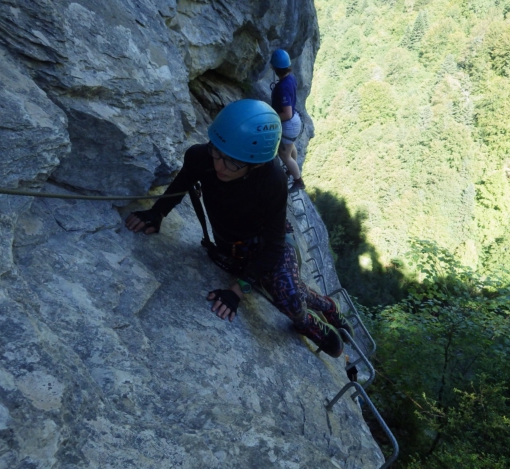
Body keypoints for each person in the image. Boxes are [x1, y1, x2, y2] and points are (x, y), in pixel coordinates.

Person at [125, 99, 352, 357]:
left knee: (287, 295)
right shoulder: (202, 157)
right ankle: (326, 305)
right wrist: (157, 214)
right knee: (281, 285)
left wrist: (237, 290)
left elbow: (275, 245)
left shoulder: (272, 180)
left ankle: (307, 322)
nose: (220, 166)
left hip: (269, 242)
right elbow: (182, 183)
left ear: (255, 163)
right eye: (218, 153)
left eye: (232, 162)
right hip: (231, 246)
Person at [270, 49, 305, 193]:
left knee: (284, 155)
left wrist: (272, 118)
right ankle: (292, 171)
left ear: (274, 67)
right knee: (291, 148)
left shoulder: (282, 87)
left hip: (289, 123)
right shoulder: (291, 78)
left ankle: (298, 181)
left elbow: (287, 113)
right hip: (295, 122)